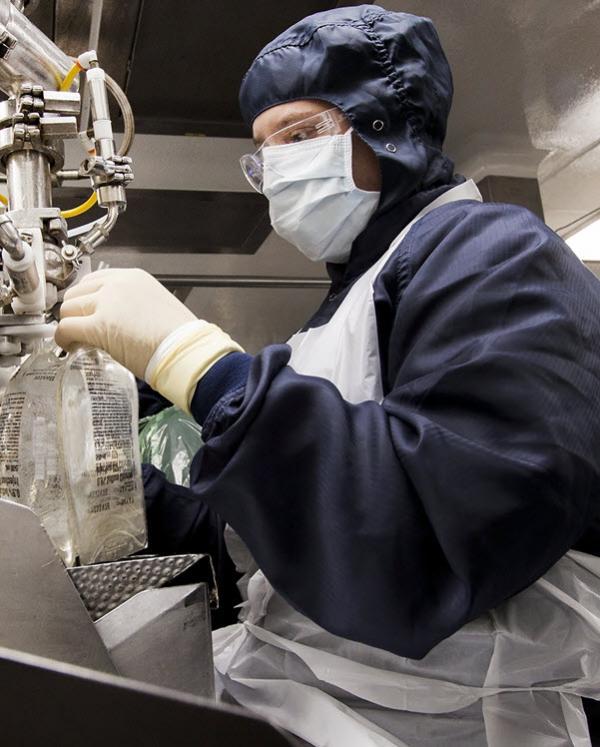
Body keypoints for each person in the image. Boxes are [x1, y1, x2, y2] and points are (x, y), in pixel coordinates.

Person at [56, 5, 600, 746]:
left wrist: (197, 363)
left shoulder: (493, 252)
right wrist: (111, 483)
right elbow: (260, 538)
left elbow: (432, 533)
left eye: (301, 135)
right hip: (312, 698)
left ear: (387, 127)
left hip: (451, 725)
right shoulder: (338, 317)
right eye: (264, 151)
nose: (277, 168)